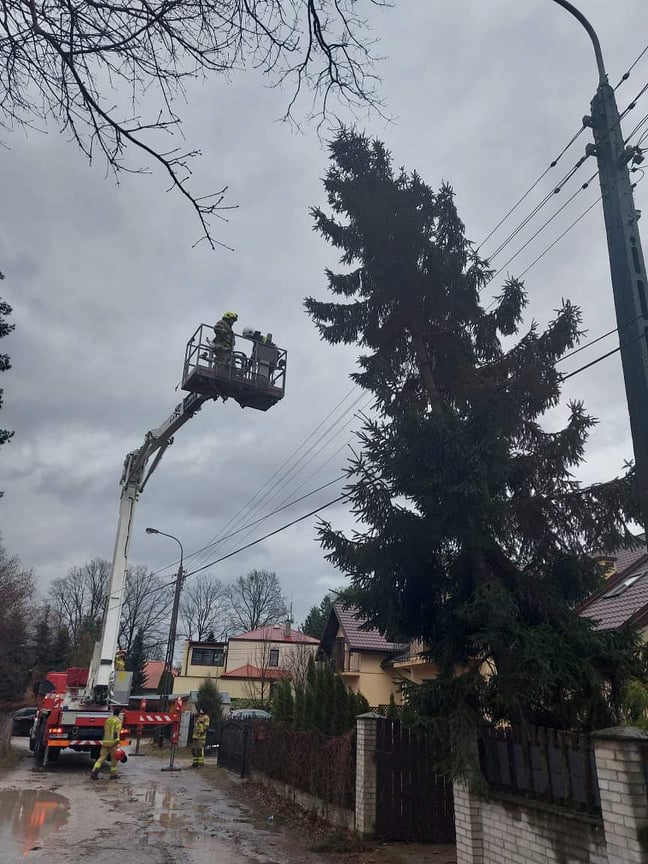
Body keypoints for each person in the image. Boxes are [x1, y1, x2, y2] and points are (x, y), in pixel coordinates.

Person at [90, 706, 123, 780]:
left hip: (105, 742)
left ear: (113, 712)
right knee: (114, 759)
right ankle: (113, 775)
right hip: (113, 743)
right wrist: (117, 742)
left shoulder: (108, 720)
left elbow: (104, 729)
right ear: (119, 713)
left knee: (101, 757)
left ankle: (94, 773)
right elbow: (116, 731)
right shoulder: (118, 721)